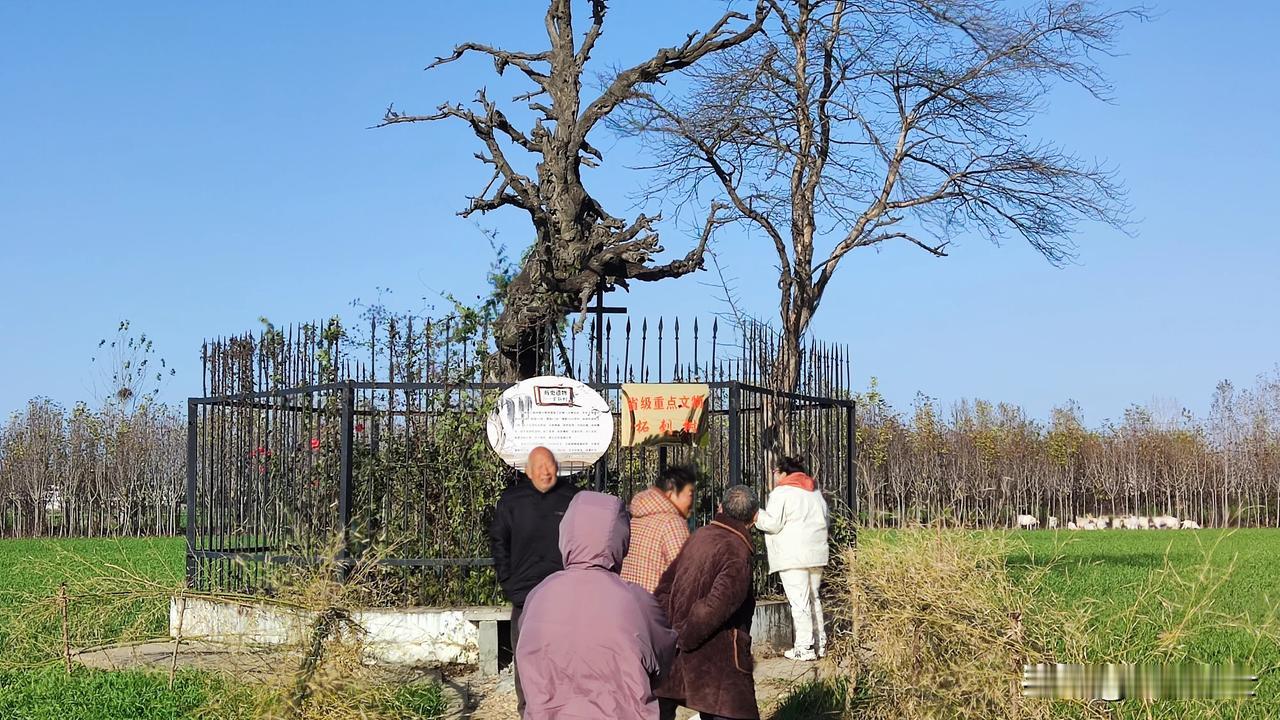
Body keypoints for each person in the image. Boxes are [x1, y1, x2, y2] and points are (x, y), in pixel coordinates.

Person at [516, 491, 678, 719]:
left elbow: (525, 656)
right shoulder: (635, 601)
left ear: (567, 532)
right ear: (621, 539)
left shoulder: (538, 596)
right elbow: (664, 655)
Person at [654, 485, 761, 720]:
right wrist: (684, 637)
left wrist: (668, 636)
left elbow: (664, 589)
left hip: (678, 652)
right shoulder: (737, 550)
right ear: (755, 517)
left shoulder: (699, 536)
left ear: (720, 508)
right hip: (718, 660)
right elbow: (714, 607)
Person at [489, 446, 579, 714]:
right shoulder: (512, 501)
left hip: (565, 599)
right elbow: (498, 543)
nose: (545, 471)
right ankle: (527, 712)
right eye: (539, 466)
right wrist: (510, 585)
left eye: (550, 464)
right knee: (526, 662)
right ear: (527, 471)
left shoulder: (573, 498)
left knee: (566, 660)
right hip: (525, 599)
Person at [754, 455, 829, 661]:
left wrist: (755, 515)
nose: (774, 477)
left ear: (783, 473)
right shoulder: (814, 492)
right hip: (816, 553)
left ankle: (803, 648)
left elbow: (772, 523)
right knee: (814, 599)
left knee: (799, 602)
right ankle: (820, 643)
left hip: (792, 555)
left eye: (774, 473)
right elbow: (826, 518)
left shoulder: (782, 492)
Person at [621, 464, 697, 592]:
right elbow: (685, 575)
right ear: (671, 491)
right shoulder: (672, 523)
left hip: (629, 601)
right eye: (690, 494)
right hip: (656, 606)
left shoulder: (637, 517)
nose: (693, 502)